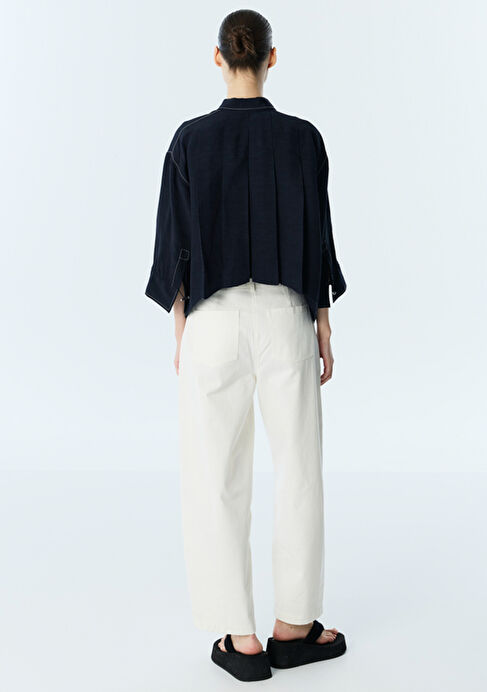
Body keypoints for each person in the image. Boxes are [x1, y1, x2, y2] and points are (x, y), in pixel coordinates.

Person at [145, 9, 347, 682]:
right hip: (286, 314)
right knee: (299, 472)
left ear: (217, 58)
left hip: (213, 319)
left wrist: (182, 328)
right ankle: (295, 627)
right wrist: (322, 321)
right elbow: (317, 236)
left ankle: (242, 638)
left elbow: (173, 243)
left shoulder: (189, 140)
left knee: (214, 478)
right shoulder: (302, 139)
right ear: (271, 58)